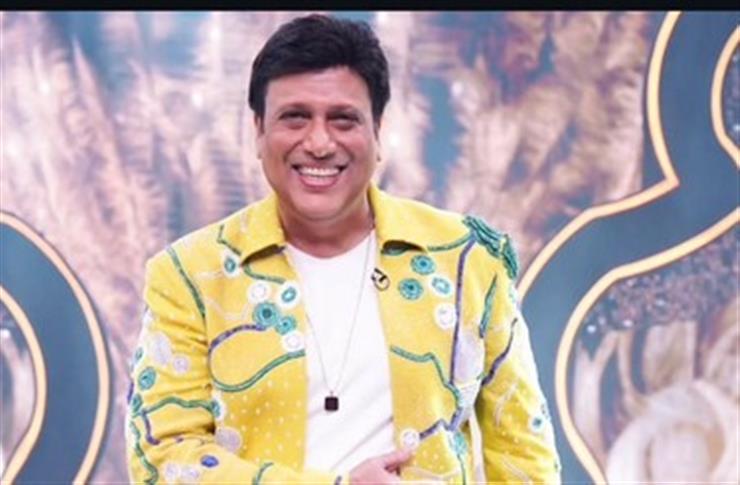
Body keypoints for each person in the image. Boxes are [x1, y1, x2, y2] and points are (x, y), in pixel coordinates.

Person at [126, 14, 560, 484]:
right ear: (258, 130)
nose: (319, 143)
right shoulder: (190, 275)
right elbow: (162, 457)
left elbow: (524, 456)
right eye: (295, 117)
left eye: (343, 119)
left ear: (378, 131)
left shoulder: (466, 260)